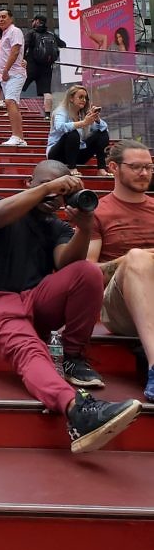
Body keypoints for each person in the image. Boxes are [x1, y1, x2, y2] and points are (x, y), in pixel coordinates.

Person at [0, 158, 141, 454]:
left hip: (37, 298)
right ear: (30, 183)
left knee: (88, 271)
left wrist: (86, 227)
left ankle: (73, 354)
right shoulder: (0, 204)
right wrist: (50, 187)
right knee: (30, 350)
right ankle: (77, 409)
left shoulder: (56, 226)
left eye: (59, 194)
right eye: (44, 188)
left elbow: (67, 264)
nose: (52, 198)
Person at [87, 140, 154, 402]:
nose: (145, 174)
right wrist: (128, 261)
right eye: (136, 167)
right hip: (120, 307)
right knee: (137, 258)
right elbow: (90, 272)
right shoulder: (98, 212)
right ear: (113, 167)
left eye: (149, 167)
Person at [46, 84, 110, 176]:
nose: (84, 100)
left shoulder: (83, 114)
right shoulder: (61, 111)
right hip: (57, 156)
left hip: (77, 154)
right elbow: (60, 127)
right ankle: (71, 168)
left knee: (102, 134)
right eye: (80, 97)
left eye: (85, 98)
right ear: (71, 98)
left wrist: (97, 119)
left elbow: (104, 128)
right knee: (72, 132)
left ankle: (101, 169)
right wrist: (83, 123)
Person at [0, 8, 27, 147]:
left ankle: (17, 137)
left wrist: (6, 70)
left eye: (4, 17)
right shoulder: (3, 34)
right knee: (12, 103)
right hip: (7, 76)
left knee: (10, 102)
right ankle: (19, 137)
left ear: (11, 18)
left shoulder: (15, 31)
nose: (1, 19)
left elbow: (15, 51)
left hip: (14, 73)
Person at [23, 16, 63, 121]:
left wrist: (21, 59)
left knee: (18, 86)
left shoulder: (31, 33)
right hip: (46, 68)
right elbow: (63, 44)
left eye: (33, 21)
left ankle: (9, 108)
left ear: (37, 21)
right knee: (47, 92)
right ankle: (47, 115)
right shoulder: (51, 34)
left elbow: (24, 46)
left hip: (31, 66)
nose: (32, 23)